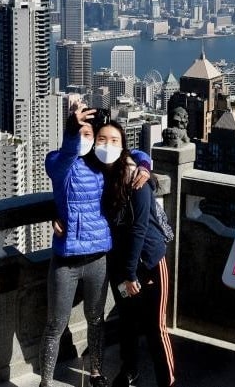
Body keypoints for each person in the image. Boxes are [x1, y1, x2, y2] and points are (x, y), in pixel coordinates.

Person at [40, 104, 151, 387]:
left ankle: (97, 374)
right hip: (67, 257)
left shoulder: (100, 167)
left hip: (100, 255)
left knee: (96, 319)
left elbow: (129, 153)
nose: (85, 139)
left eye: (90, 134)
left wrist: (145, 164)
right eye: (81, 133)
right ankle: (45, 381)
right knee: (56, 324)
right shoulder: (58, 160)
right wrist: (71, 129)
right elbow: (64, 160)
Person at [94, 121, 175, 387]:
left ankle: (168, 380)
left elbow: (140, 228)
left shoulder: (136, 178)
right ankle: (130, 371)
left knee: (155, 327)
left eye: (114, 140)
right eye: (101, 139)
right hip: (120, 264)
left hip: (148, 261)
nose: (107, 145)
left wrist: (130, 273)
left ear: (123, 145)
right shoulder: (99, 173)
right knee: (127, 323)